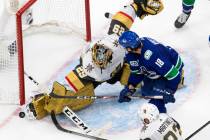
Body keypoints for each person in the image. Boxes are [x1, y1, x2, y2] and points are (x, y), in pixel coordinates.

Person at [24, 0, 164, 120]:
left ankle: (168, 79)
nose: (99, 63)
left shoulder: (119, 39)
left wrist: (138, 4)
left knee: (143, 76)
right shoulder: (85, 68)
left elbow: (124, 15)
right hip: (92, 78)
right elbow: (63, 88)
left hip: (118, 69)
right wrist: (42, 103)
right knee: (73, 99)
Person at [118, 31, 184, 113]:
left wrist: (169, 91)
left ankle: (163, 119)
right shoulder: (131, 54)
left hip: (172, 67)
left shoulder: (153, 56)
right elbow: (137, 72)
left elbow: (174, 75)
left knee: (155, 103)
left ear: (129, 48)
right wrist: (130, 87)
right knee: (146, 91)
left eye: (124, 47)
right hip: (155, 71)